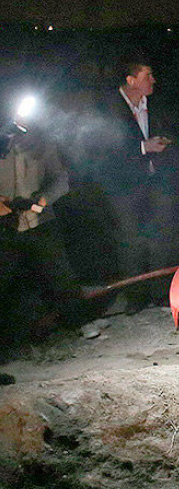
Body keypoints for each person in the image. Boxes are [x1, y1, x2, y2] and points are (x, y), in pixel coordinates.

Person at [77, 57, 174, 293]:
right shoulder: (106, 108)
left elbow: (169, 131)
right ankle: (135, 295)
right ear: (131, 80)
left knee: (160, 238)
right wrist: (142, 148)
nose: (153, 80)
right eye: (147, 76)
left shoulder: (154, 104)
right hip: (123, 187)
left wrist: (164, 143)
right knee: (129, 240)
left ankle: (159, 293)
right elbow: (102, 149)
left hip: (156, 181)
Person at [0, 108, 78, 336]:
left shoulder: (44, 145)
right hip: (5, 224)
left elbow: (61, 179)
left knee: (60, 275)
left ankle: (77, 321)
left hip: (39, 221)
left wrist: (44, 199)